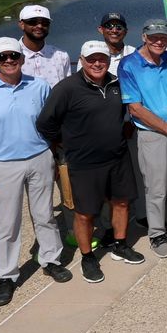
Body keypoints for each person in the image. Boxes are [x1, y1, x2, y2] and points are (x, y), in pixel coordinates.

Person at [0, 37, 72, 307]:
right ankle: (6, 276)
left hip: (39, 158)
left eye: (13, 55)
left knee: (44, 215)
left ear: (21, 58)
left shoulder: (39, 87)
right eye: (2, 57)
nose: (9, 60)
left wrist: (56, 159)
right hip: (3, 165)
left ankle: (51, 259)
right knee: (7, 223)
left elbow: (51, 125)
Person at [37, 41, 145, 283]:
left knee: (121, 203)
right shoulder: (67, 88)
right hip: (84, 163)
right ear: (81, 60)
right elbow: (45, 123)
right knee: (85, 214)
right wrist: (63, 142)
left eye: (102, 59)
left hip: (117, 157)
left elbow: (122, 113)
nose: (97, 64)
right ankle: (87, 257)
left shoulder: (116, 83)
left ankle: (120, 244)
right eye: (91, 59)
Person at [119, 20, 167, 258]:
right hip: (153, 135)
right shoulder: (129, 64)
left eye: (163, 37)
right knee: (156, 187)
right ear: (144, 37)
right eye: (154, 37)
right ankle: (157, 234)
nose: (159, 41)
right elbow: (135, 108)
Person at [0, 4, 70, 87]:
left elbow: (68, 90)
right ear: (22, 24)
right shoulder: (3, 57)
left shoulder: (61, 56)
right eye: (33, 22)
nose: (39, 26)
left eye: (45, 22)